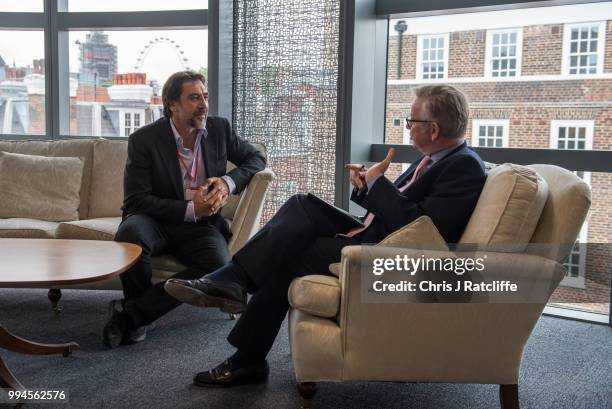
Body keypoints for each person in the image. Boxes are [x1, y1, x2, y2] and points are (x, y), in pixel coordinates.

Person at [164, 84, 486, 386]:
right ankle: (233, 283)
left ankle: (244, 339)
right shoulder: (433, 159)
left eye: (411, 121)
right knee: (301, 204)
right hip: (375, 234)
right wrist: (366, 188)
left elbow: (426, 231)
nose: (407, 127)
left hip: (386, 253)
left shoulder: (464, 168)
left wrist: (378, 185)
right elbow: (402, 209)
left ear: (433, 130)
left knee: (290, 253)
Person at [102, 71, 266, 349]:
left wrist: (227, 183)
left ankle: (133, 314)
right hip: (156, 219)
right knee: (130, 233)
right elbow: (135, 201)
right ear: (172, 105)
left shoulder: (219, 129)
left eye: (205, 96)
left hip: (202, 226)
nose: (203, 104)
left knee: (219, 264)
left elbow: (256, 158)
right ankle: (138, 313)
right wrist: (190, 207)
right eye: (194, 98)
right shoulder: (144, 140)